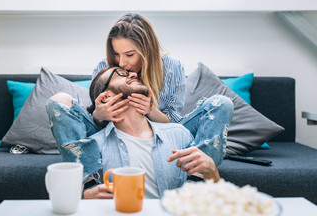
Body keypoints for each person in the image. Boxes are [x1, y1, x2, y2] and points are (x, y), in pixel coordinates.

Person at [46, 66, 233, 199]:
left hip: (181, 209)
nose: (134, 74)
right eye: (121, 74)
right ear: (107, 96)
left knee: (222, 102)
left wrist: (212, 173)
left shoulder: (179, 134)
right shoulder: (93, 147)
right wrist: (85, 193)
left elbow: (217, 200)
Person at [91, 12, 233, 166]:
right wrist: (98, 115)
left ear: (147, 50)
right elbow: (93, 122)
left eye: (129, 54)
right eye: (116, 54)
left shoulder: (172, 67)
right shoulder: (103, 67)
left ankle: (198, 175)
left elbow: (173, 122)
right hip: (115, 137)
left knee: (222, 103)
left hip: (167, 137)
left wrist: (151, 110)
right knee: (63, 102)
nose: (122, 62)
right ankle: (88, 180)